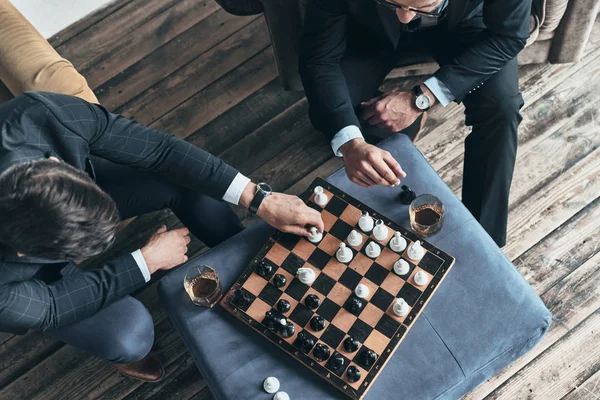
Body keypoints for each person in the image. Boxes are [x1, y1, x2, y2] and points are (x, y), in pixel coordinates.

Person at [0, 91, 325, 381]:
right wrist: (144, 261)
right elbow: (52, 307)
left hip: (43, 212)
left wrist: (259, 198)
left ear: (54, 164)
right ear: (24, 254)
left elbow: (160, 151)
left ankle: (246, 259)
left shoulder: (41, 116)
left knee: (185, 179)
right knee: (128, 335)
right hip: (24, 280)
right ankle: (127, 355)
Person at [299, 0, 530, 247]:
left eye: (421, 6)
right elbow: (320, 61)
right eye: (393, 3)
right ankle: (403, 127)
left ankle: (484, 243)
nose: (405, 18)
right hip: (368, 31)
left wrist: (422, 98)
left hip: (464, 25)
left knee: (502, 109)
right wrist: (351, 144)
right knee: (338, 116)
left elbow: (509, 36)